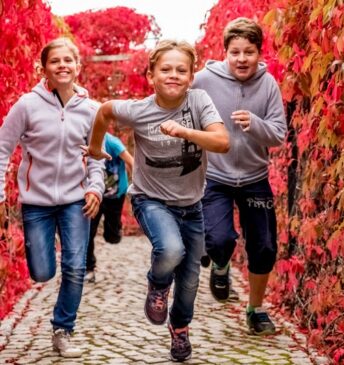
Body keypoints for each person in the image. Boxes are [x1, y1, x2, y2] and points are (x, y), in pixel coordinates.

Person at [83, 39, 230, 362]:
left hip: (192, 206)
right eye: (165, 69)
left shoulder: (199, 101)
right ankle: (158, 284)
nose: (173, 75)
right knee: (170, 249)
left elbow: (222, 142)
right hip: (150, 200)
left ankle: (179, 329)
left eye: (181, 70)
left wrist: (186, 132)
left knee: (190, 280)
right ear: (151, 74)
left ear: (191, 77)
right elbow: (105, 110)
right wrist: (95, 148)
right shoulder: (139, 110)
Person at [0, 38, 104, 357]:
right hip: (37, 203)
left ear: (77, 65)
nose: (62, 65)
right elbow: (3, 148)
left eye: (68, 60)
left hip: (75, 200)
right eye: (55, 61)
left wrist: (95, 187)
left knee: (74, 265)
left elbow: (97, 156)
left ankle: (63, 328)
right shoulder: (27, 105)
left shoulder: (91, 109)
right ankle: (48, 277)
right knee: (43, 272)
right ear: (44, 67)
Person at [192, 17, 287, 335]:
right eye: (235, 52)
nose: (242, 59)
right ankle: (219, 266)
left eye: (249, 52)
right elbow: (181, 111)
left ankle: (256, 310)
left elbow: (278, 134)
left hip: (254, 176)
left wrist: (255, 124)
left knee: (264, 247)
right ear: (225, 53)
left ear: (260, 53)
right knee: (219, 240)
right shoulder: (204, 79)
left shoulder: (268, 84)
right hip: (215, 176)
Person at [85, 132, 134, 283]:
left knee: (111, 237)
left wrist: (137, 187)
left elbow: (131, 161)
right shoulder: (87, 139)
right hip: (95, 195)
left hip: (115, 194)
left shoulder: (112, 142)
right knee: (88, 232)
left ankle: (115, 230)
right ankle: (89, 269)